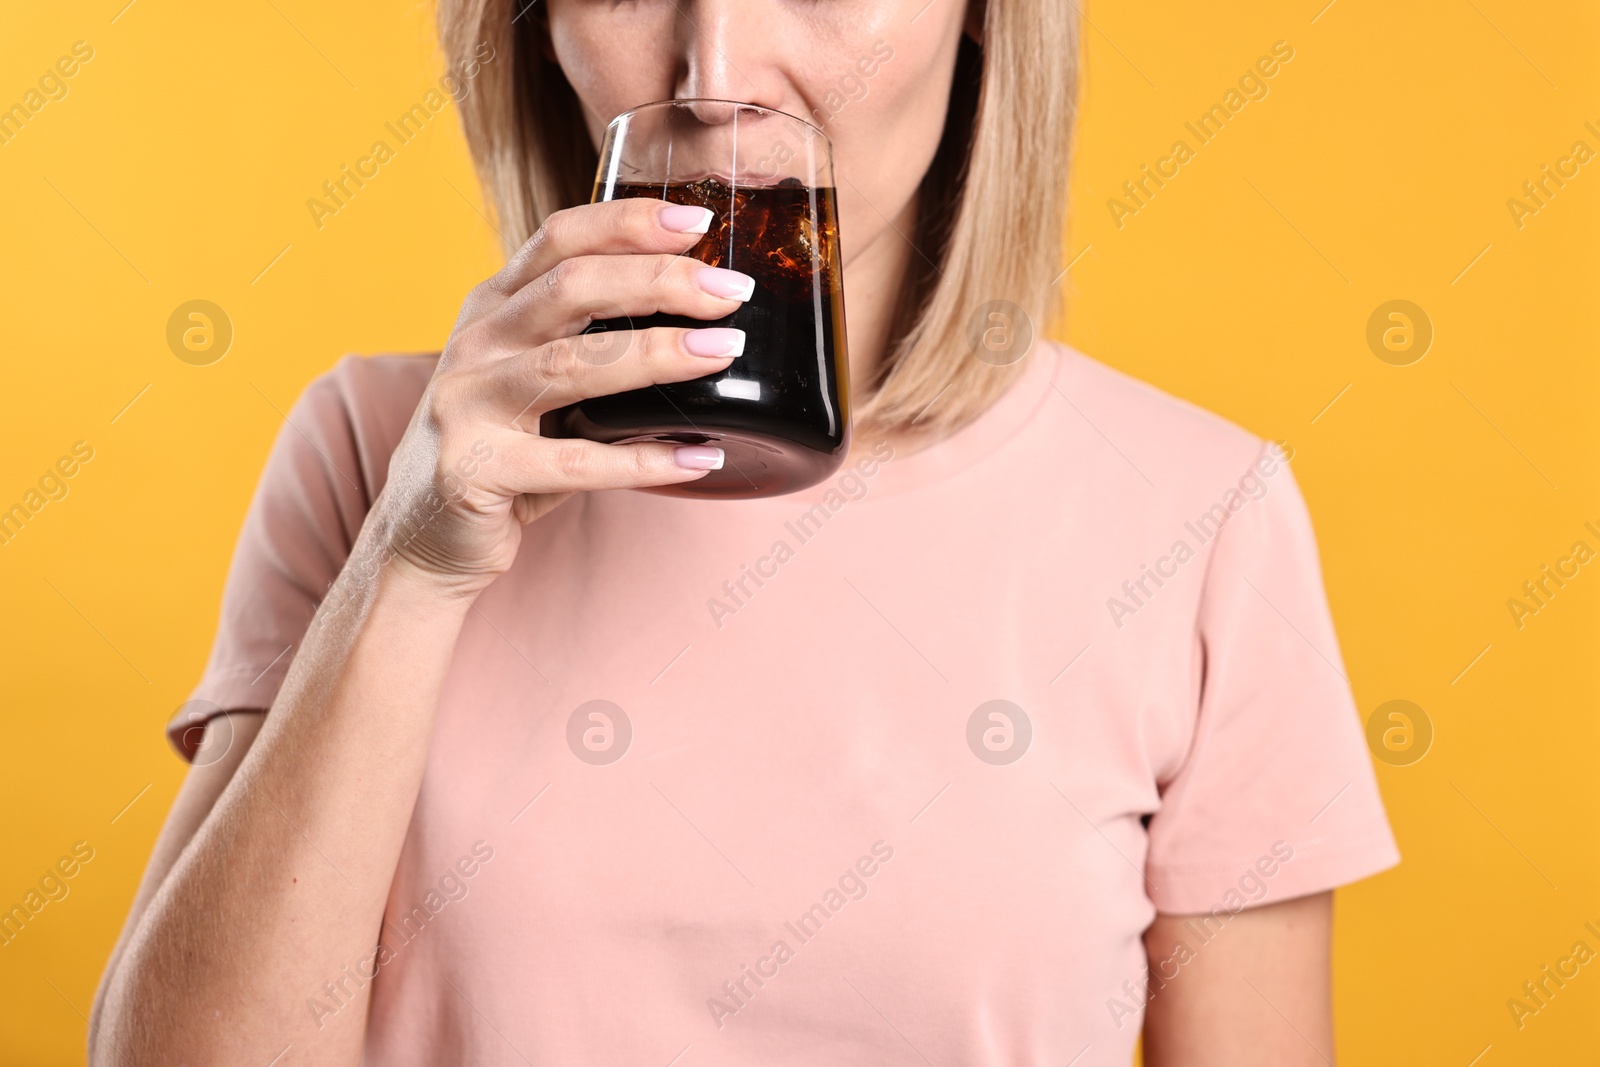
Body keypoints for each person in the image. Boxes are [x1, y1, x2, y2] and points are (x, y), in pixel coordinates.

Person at [90, 1, 1398, 1063]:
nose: (713, 72)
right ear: (530, 30)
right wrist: (414, 561)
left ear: (986, 20)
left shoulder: (1200, 520)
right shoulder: (374, 456)